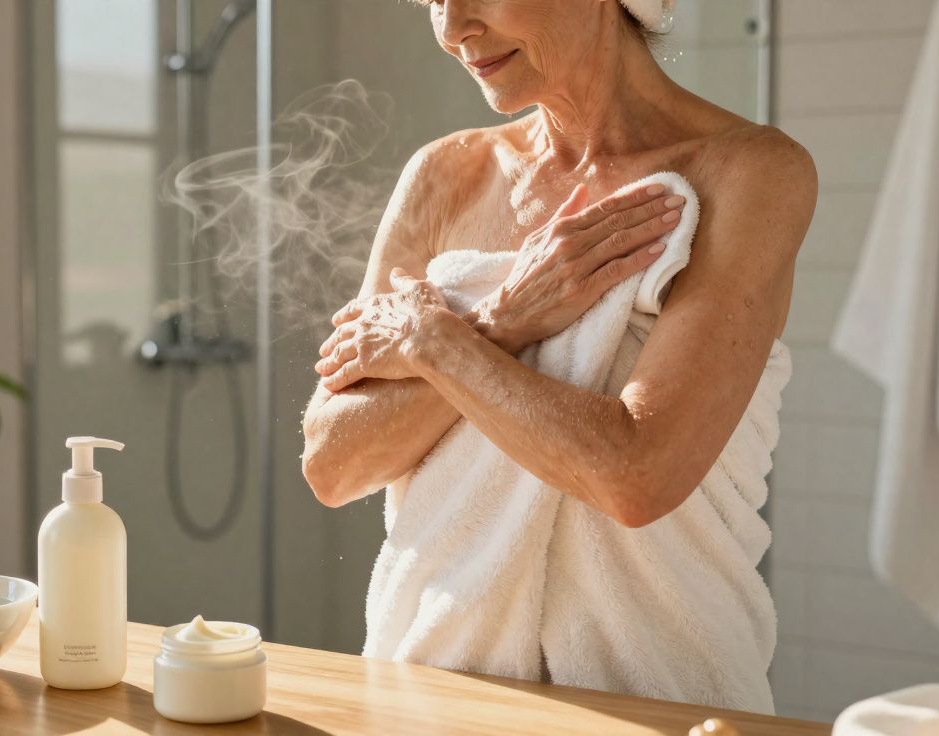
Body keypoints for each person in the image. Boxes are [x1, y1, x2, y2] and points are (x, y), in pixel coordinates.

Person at [300, 0, 817, 712]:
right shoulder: (444, 175)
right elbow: (332, 465)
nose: (453, 30)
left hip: (655, 704)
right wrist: (502, 320)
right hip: (431, 696)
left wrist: (436, 342)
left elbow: (635, 476)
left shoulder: (750, 173)